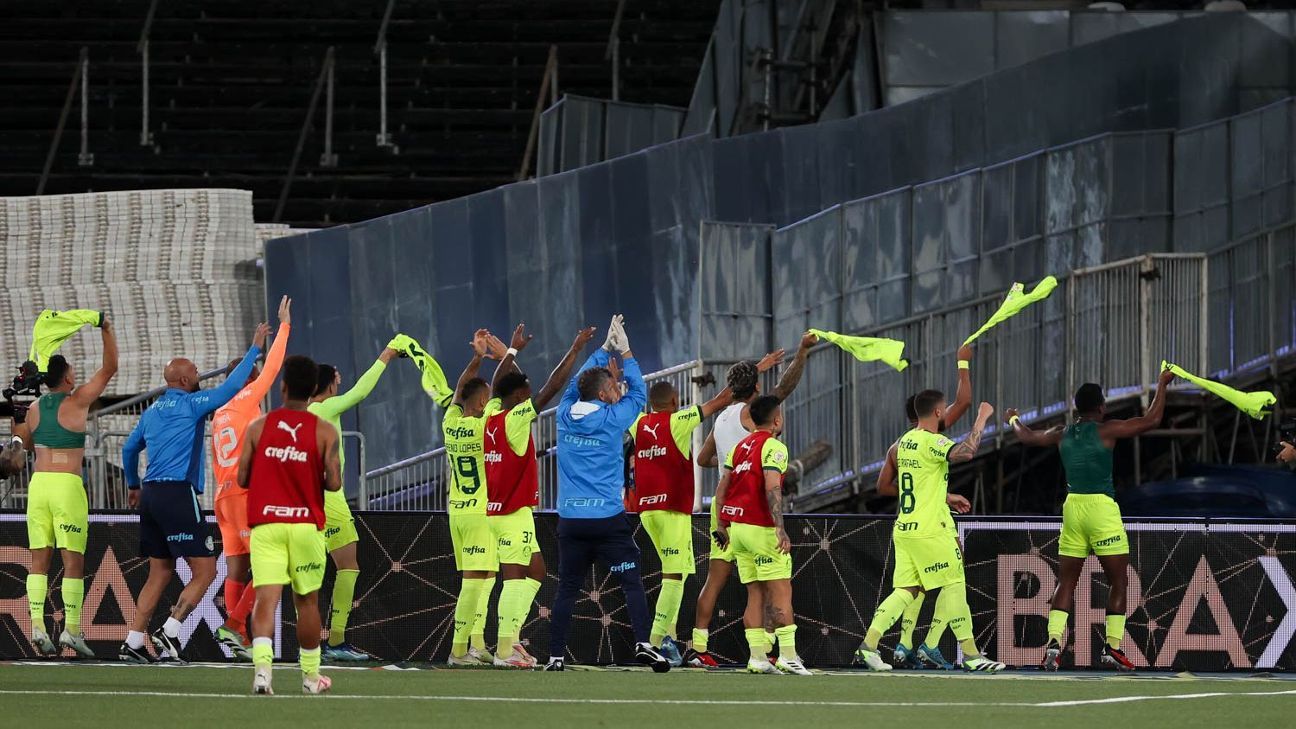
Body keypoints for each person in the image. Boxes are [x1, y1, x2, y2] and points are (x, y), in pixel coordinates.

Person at [1005, 368, 1175, 672]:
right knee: (1118, 580)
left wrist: (1013, 418)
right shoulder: (1106, 430)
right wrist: (1161, 385)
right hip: (1101, 508)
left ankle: (1054, 643)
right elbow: (1152, 420)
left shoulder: (1062, 433)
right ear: (1101, 407)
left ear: (1075, 407)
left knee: (1066, 580)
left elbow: (1027, 437)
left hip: (1072, 507)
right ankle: (1113, 647)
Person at [119, 322, 268, 663]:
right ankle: (171, 633)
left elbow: (129, 449)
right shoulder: (193, 403)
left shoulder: (152, 411)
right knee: (206, 570)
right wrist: (255, 348)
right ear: (185, 382)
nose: (201, 375)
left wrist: (132, 485)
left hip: (151, 494)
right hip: (176, 493)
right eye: (197, 372)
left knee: (160, 571)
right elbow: (231, 386)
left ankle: (133, 641)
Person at [543, 314, 670, 672]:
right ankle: (644, 643)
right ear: (603, 395)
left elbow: (571, 386)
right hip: (607, 519)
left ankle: (554, 656)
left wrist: (601, 351)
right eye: (613, 389)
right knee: (631, 580)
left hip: (570, 520)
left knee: (567, 588)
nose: (619, 392)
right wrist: (625, 351)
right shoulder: (614, 418)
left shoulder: (564, 415)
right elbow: (641, 393)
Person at [684, 333, 815, 668]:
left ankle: (698, 645)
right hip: (755, 506)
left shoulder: (722, 417)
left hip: (724, 505)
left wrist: (734, 464)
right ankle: (778, 651)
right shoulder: (754, 415)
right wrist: (801, 353)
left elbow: (702, 458)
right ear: (757, 389)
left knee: (716, 580)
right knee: (772, 584)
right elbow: (785, 387)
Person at [854, 390, 1004, 673]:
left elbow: (894, 485)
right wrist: (982, 419)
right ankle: (971, 655)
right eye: (944, 409)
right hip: (930, 530)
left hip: (905, 528)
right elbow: (967, 451)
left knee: (906, 590)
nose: (947, 412)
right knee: (954, 583)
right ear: (937, 412)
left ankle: (869, 645)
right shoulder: (933, 441)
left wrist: (944, 496)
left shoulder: (903, 442)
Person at [483, 323, 595, 668]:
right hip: (512, 512)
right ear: (519, 398)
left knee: (536, 570)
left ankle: (511, 641)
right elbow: (553, 387)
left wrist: (511, 353)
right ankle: (505, 649)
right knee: (515, 577)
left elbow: (500, 383)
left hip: (509, 512)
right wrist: (574, 351)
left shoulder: (492, 413)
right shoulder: (515, 419)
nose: (530, 395)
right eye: (526, 392)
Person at [864, 345, 974, 671]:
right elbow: (966, 401)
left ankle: (903, 644)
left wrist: (935, 493)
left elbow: (883, 487)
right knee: (951, 575)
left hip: (908, 520)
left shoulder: (899, 444)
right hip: (932, 521)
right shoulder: (934, 435)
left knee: (914, 585)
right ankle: (936, 644)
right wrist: (963, 360)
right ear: (934, 413)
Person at [13, 315, 117, 658]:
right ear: (69, 377)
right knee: (73, 561)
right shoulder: (78, 401)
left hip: (38, 485)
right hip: (66, 486)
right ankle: (72, 629)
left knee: (37, 559)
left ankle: (37, 628)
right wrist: (106, 329)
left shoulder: (33, 408)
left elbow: (22, 446)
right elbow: (110, 368)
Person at [237, 354, 341, 695]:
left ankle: (263, 674)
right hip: (305, 525)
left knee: (266, 599)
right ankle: (311, 679)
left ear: (282, 387)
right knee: (307, 602)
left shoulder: (258, 427)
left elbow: (242, 477)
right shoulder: (325, 431)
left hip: (266, 524)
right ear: (313, 389)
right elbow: (335, 483)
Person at [307, 342, 402, 661]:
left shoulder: (307, 412)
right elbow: (361, 392)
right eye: (336, 379)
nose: (340, 383)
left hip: (309, 498)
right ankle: (334, 642)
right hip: (329, 500)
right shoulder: (324, 408)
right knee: (347, 567)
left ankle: (308, 641)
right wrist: (385, 357)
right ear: (327, 385)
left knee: (308, 571)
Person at [629, 377, 732, 665]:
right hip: (671, 509)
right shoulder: (677, 421)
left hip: (647, 512)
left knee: (680, 572)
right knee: (673, 577)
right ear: (674, 402)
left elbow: (618, 402)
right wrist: (756, 369)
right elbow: (720, 400)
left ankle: (668, 640)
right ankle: (654, 642)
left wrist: (618, 383)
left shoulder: (637, 423)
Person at [211, 296, 292, 660]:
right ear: (247, 379)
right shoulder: (246, 398)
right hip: (245, 493)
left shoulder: (219, 414)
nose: (261, 380)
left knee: (237, 568)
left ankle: (238, 641)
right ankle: (235, 626)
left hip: (222, 497)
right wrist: (284, 326)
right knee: (269, 564)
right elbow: (274, 368)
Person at [713, 395, 810, 675]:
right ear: (777, 420)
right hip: (760, 528)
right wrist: (779, 527)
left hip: (738, 530)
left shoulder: (738, 448)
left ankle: (757, 657)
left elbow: (722, 488)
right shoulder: (775, 447)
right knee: (781, 591)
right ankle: (788, 656)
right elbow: (772, 487)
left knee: (754, 594)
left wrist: (721, 525)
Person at [443, 329, 505, 667]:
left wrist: (478, 358)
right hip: (480, 512)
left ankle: (478, 644)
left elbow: (459, 389)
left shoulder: (449, 422)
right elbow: (502, 386)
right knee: (473, 581)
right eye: (488, 397)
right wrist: (506, 355)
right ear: (482, 403)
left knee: (486, 578)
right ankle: (457, 650)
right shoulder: (484, 426)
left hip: (458, 512)